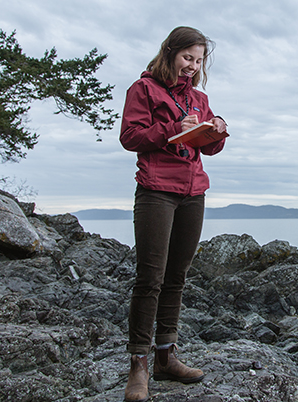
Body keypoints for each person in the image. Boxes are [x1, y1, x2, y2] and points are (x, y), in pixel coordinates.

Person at [118, 26, 228, 402]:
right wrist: (170, 129)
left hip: (193, 191)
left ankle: (166, 356)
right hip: (155, 190)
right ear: (170, 53)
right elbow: (130, 137)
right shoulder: (143, 89)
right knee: (150, 277)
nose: (192, 67)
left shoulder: (200, 97)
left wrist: (217, 130)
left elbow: (208, 149)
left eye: (198, 61)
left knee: (177, 277)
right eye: (187, 58)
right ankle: (138, 365)